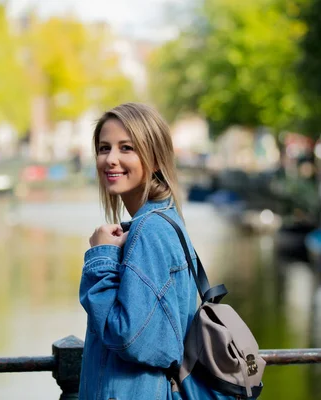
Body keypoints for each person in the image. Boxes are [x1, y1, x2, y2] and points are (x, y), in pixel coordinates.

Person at [79, 103, 230, 399]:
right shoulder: (159, 221)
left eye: (127, 148)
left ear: (156, 159)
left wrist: (101, 258)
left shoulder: (150, 230)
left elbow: (129, 338)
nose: (111, 159)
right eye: (103, 148)